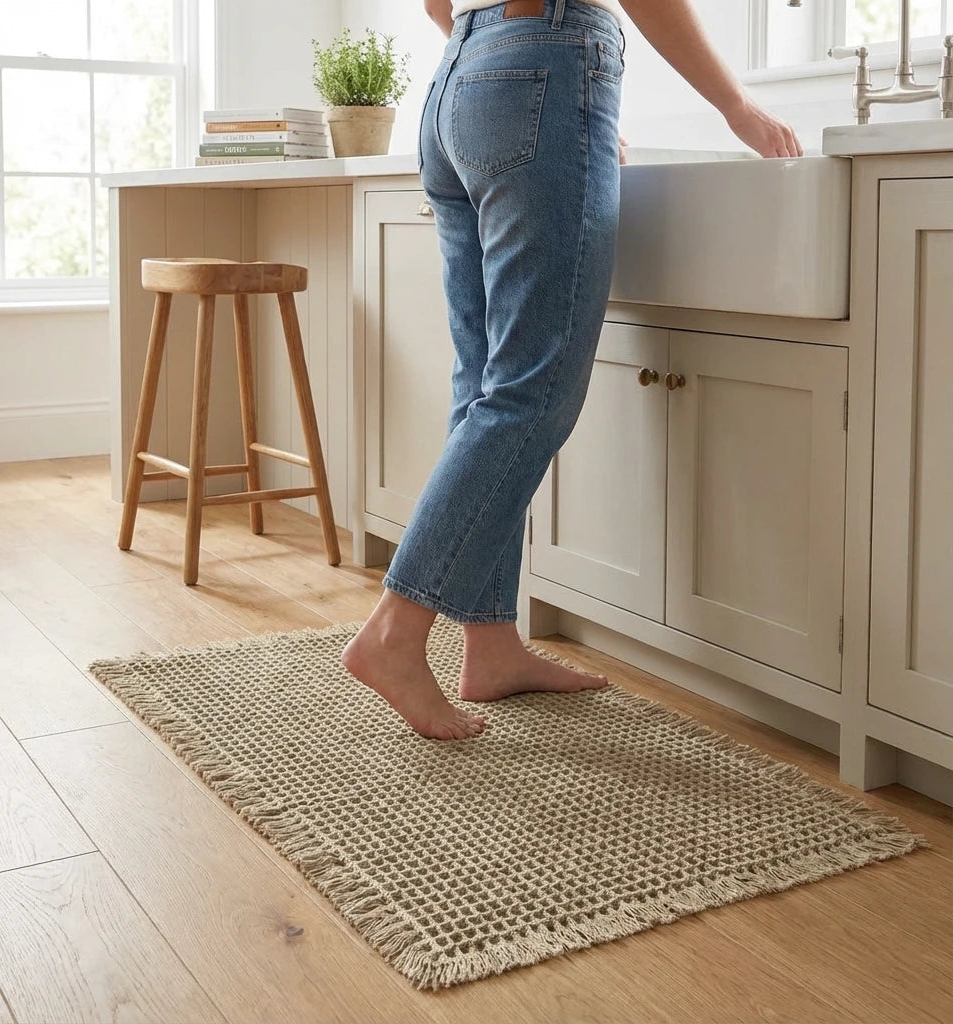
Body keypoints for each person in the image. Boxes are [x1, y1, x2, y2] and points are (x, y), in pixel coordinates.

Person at [341, 0, 802, 740]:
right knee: (532, 389)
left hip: (459, 80)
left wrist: (523, 73)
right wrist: (735, 106)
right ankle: (395, 632)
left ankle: (488, 644)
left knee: (487, 384)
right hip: (543, 64)